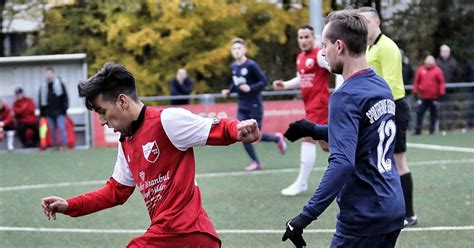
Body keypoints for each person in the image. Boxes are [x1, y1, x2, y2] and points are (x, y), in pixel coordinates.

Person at [40, 62, 260, 247]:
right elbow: (116, 192)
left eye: (102, 111)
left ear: (123, 101)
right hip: (181, 237)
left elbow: (218, 128)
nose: (102, 121)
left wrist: (239, 130)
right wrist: (70, 205)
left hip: (186, 233)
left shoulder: (166, 120)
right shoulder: (125, 142)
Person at [281, 10, 405, 247]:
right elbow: (365, 132)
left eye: (324, 45)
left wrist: (304, 217)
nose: (322, 53)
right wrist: (315, 130)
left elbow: (342, 162)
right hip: (392, 206)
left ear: (339, 46)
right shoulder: (380, 85)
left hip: (363, 214)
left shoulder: (345, 96)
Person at [358, 6, 417, 227]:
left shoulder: (387, 47)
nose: (363, 26)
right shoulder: (369, 48)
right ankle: (388, 209)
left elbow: (391, 86)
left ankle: (409, 214)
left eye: (366, 22)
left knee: (399, 162)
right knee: (381, 162)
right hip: (379, 110)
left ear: (377, 22)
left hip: (393, 109)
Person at [272, 24, 331, 196]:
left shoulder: (320, 55)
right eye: (301, 37)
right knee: (327, 145)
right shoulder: (300, 57)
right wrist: (285, 85)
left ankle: (302, 183)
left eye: (307, 37)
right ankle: (356, 166)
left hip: (320, 105)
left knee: (307, 137)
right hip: (310, 106)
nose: (304, 40)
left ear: (314, 38)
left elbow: (338, 68)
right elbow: (301, 78)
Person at [221, 38, 287, 171]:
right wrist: (229, 91)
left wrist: (250, 88)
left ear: (244, 50)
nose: (237, 51)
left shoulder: (251, 65)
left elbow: (264, 81)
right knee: (242, 134)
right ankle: (256, 162)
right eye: (234, 49)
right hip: (242, 105)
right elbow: (236, 83)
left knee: (255, 135)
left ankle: (276, 139)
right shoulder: (233, 66)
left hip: (255, 105)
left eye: (239, 48)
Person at [413, 55, 446, 135]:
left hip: (434, 97)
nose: (429, 63)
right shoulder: (421, 70)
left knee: (433, 114)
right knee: (420, 113)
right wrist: (415, 91)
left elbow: (442, 82)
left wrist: (441, 92)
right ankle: (418, 130)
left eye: (431, 61)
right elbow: (416, 81)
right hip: (423, 97)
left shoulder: (437, 70)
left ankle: (432, 130)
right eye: (428, 61)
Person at [39, 68, 69, 149]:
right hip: (49, 112)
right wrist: (42, 113)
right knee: (52, 129)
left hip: (59, 111)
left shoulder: (60, 84)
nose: (48, 75)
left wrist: (64, 109)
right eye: (47, 73)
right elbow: (41, 100)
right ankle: (56, 145)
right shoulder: (43, 86)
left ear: (53, 74)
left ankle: (64, 144)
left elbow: (65, 98)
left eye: (50, 73)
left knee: (62, 128)